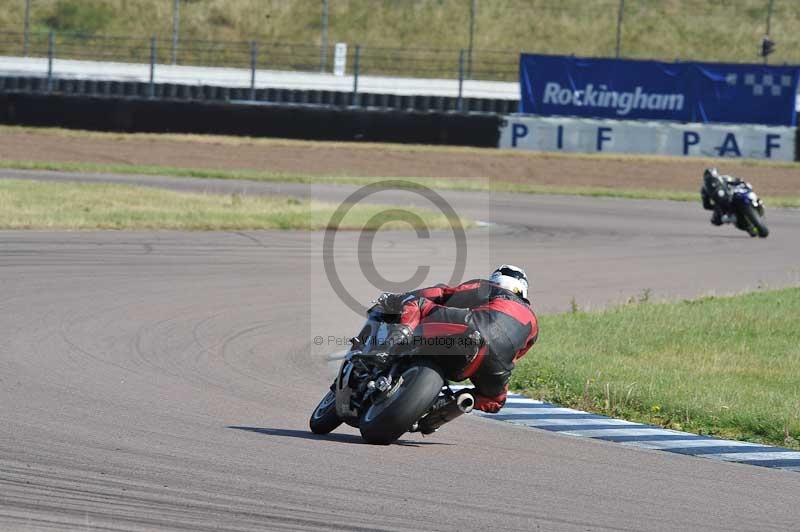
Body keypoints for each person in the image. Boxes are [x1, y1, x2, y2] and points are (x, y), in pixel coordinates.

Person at [382, 265, 538, 417]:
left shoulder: (489, 288)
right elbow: (517, 354)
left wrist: (398, 299)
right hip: (498, 361)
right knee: (495, 401)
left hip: (473, 329)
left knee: (419, 304)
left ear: (496, 279)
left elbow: (443, 293)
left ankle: (393, 344)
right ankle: (448, 404)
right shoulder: (533, 324)